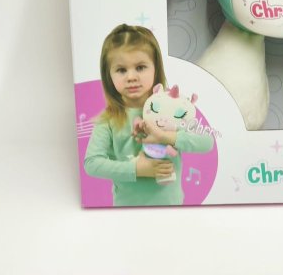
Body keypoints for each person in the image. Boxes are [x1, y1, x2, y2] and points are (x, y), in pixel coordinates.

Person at [84, 24, 214, 206]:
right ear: (109, 76)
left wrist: (166, 136)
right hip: (126, 210)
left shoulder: (172, 108)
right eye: (121, 70)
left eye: (140, 67)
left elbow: (207, 142)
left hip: (171, 207)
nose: (131, 77)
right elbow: (92, 163)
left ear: (155, 68)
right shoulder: (109, 119)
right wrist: (137, 169)